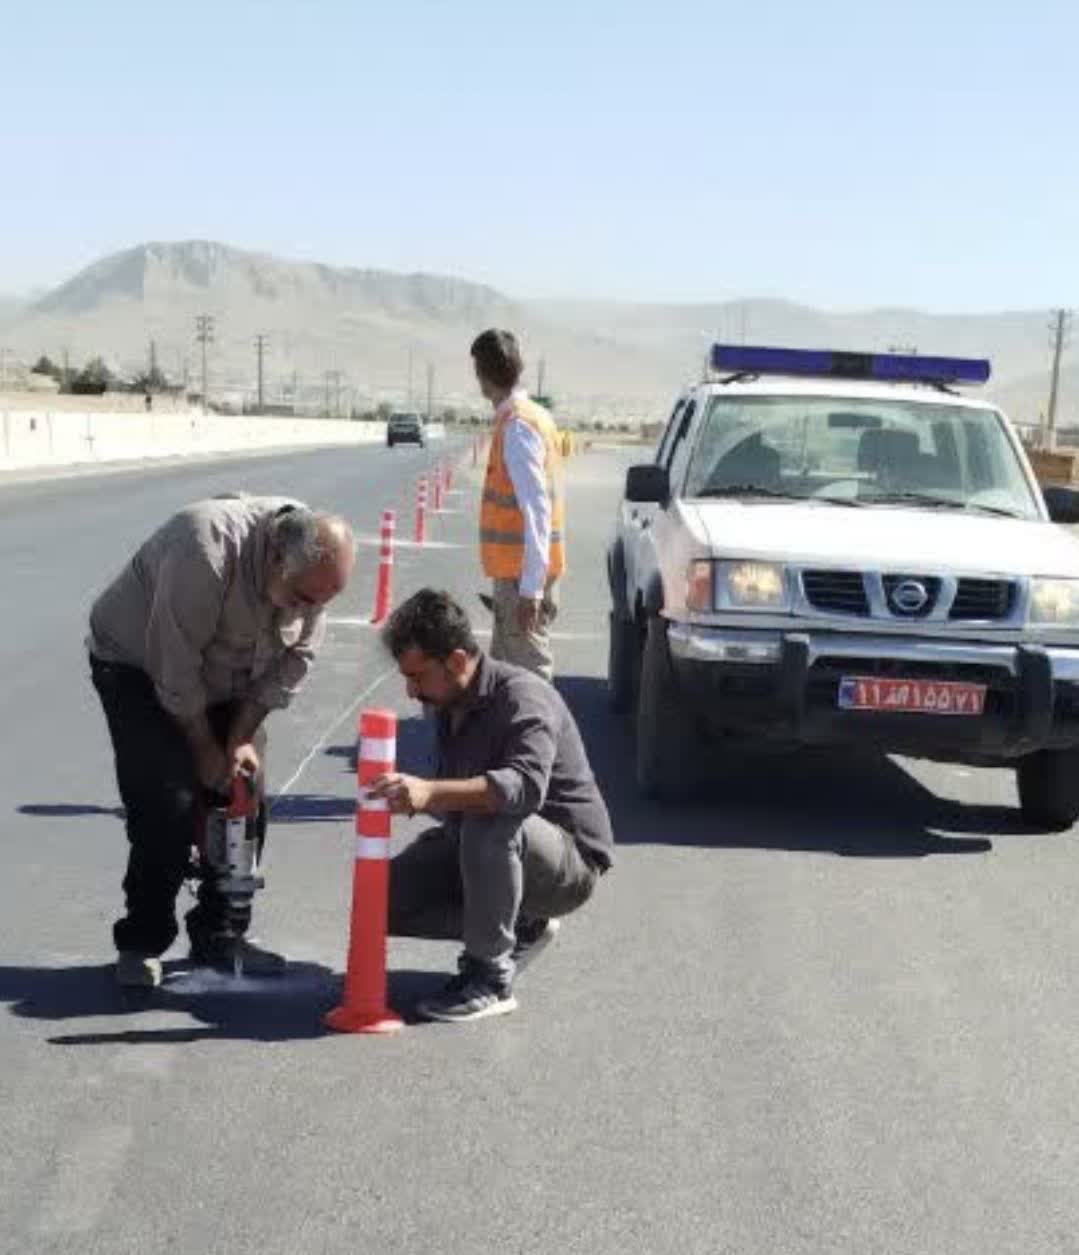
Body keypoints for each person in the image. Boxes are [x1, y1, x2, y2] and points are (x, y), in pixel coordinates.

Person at [87, 495, 355, 987]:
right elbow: (174, 669)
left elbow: (289, 669)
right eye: (303, 599)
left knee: (243, 796)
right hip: (138, 665)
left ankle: (220, 932)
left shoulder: (311, 578)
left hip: (225, 676)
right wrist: (206, 750)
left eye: (321, 603)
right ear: (277, 559)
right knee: (167, 801)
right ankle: (142, 940)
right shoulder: (205, 550)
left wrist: (238, 741)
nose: (313, 610)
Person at [371, 589, 614, 1023]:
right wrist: (412, 799)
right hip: (491, 846)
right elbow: (457, 800)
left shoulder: (524, 698)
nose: (411, 692)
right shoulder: (447, 704)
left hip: (566, 865)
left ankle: (489, 977)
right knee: (377, 902)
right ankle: (518, 925)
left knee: (491, 819)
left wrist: (431, 792)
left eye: (419, 677)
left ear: (459, 661)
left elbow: (523, 788)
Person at [471, 328, 566, 680]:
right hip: (522, 574)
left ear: (482, 376)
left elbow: (536, 510)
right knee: (507, 680)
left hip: (521, 578)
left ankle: (543, 737)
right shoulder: (534, 418)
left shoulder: (518, 428)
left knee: (530, 682)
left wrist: (531, 590)